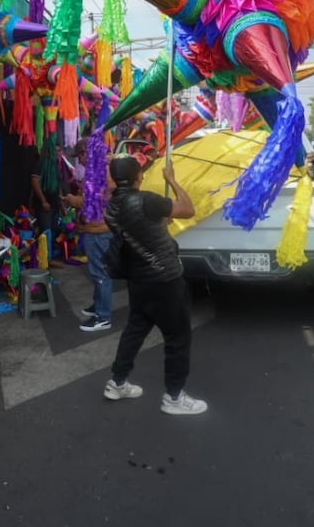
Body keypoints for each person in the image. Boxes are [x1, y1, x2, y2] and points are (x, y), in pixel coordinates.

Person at [101, 154, 206, 415]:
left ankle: (117, 382)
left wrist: (159, 221)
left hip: (139, 280)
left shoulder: (111, 207)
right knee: (178, 338)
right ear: (139, 176)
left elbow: (138, 228)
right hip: (165, 280)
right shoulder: (147, 199)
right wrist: (172, 179)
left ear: (115, 178)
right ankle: (174, 398)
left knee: (135, 329)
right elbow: (188, 208)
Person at [61, 142, 115, 332]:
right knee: (98, 272)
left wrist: (71, 200)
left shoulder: (100, 171)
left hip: (98, 229)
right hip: (97, 227)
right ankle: (98, 306)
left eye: (79, 156)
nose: (79, 161)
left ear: (86, 153)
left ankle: (103, 317)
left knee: (101, 274)